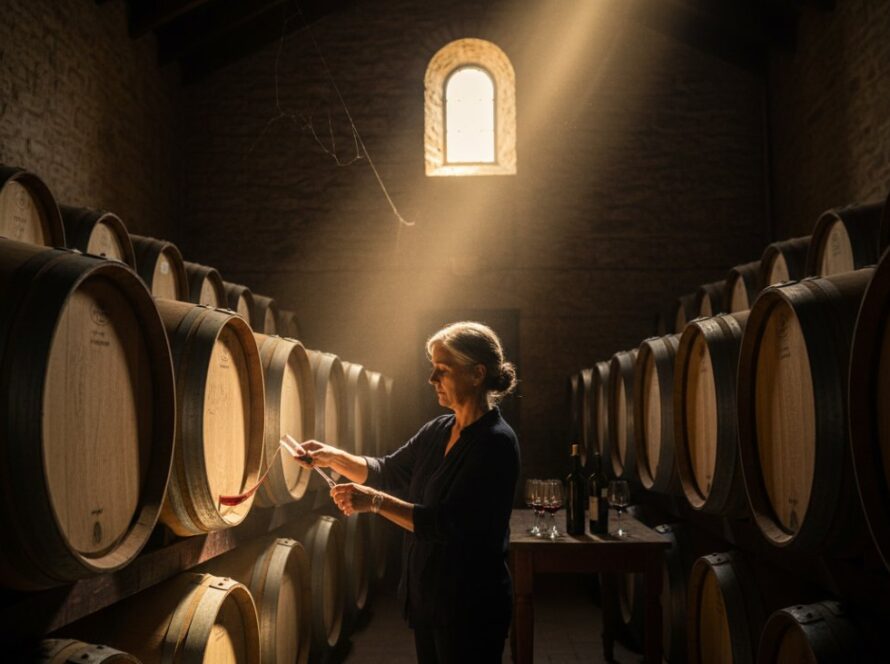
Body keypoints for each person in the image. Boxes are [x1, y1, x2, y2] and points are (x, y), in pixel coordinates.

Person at [295, 321, 520, 663]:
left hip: (469, 606)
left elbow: (447, 524)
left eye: (442, 370)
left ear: (477, 374)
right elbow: (387, 469)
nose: (432, 380)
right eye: (432, 369)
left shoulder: (495, 443)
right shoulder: (439, 430)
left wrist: (373, 502)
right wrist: (332, 456)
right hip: (429, 599)